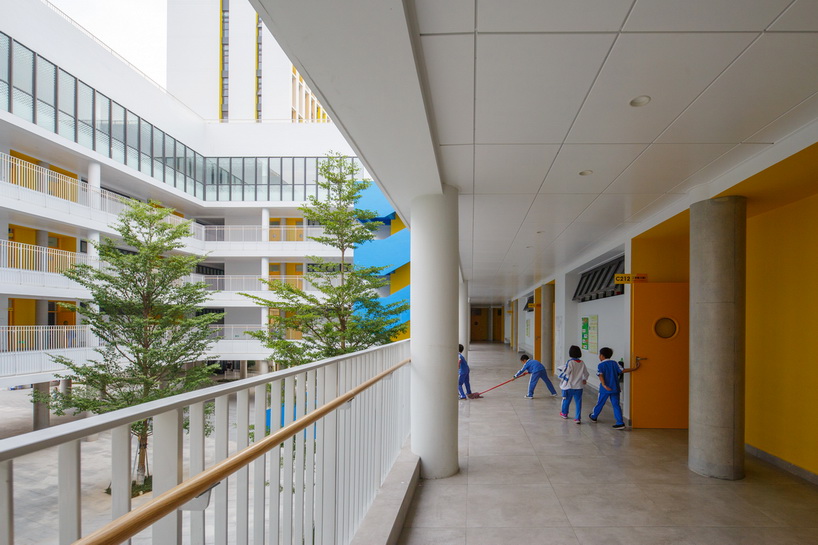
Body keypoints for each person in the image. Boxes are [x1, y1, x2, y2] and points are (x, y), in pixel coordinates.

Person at [589, 347, 640, 429]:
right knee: (616, 405)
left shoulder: (601, 365)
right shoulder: (614, 363)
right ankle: (620, 422)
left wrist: (604, 385)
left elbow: (600, 375)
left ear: (602, 356)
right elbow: (622, 370)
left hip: (604, 389)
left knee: (600, 403)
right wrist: (635, 368)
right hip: (615, 388)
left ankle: (594, 416)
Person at [557, 345, 589, 424]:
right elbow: (586, 373)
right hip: (579, 386)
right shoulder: (582, 363)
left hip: (569, 386)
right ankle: (577, 418)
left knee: (566, 400)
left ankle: (564, 413)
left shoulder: (570, 362)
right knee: (578, 402)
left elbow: (567, 372)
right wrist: (584, 379)